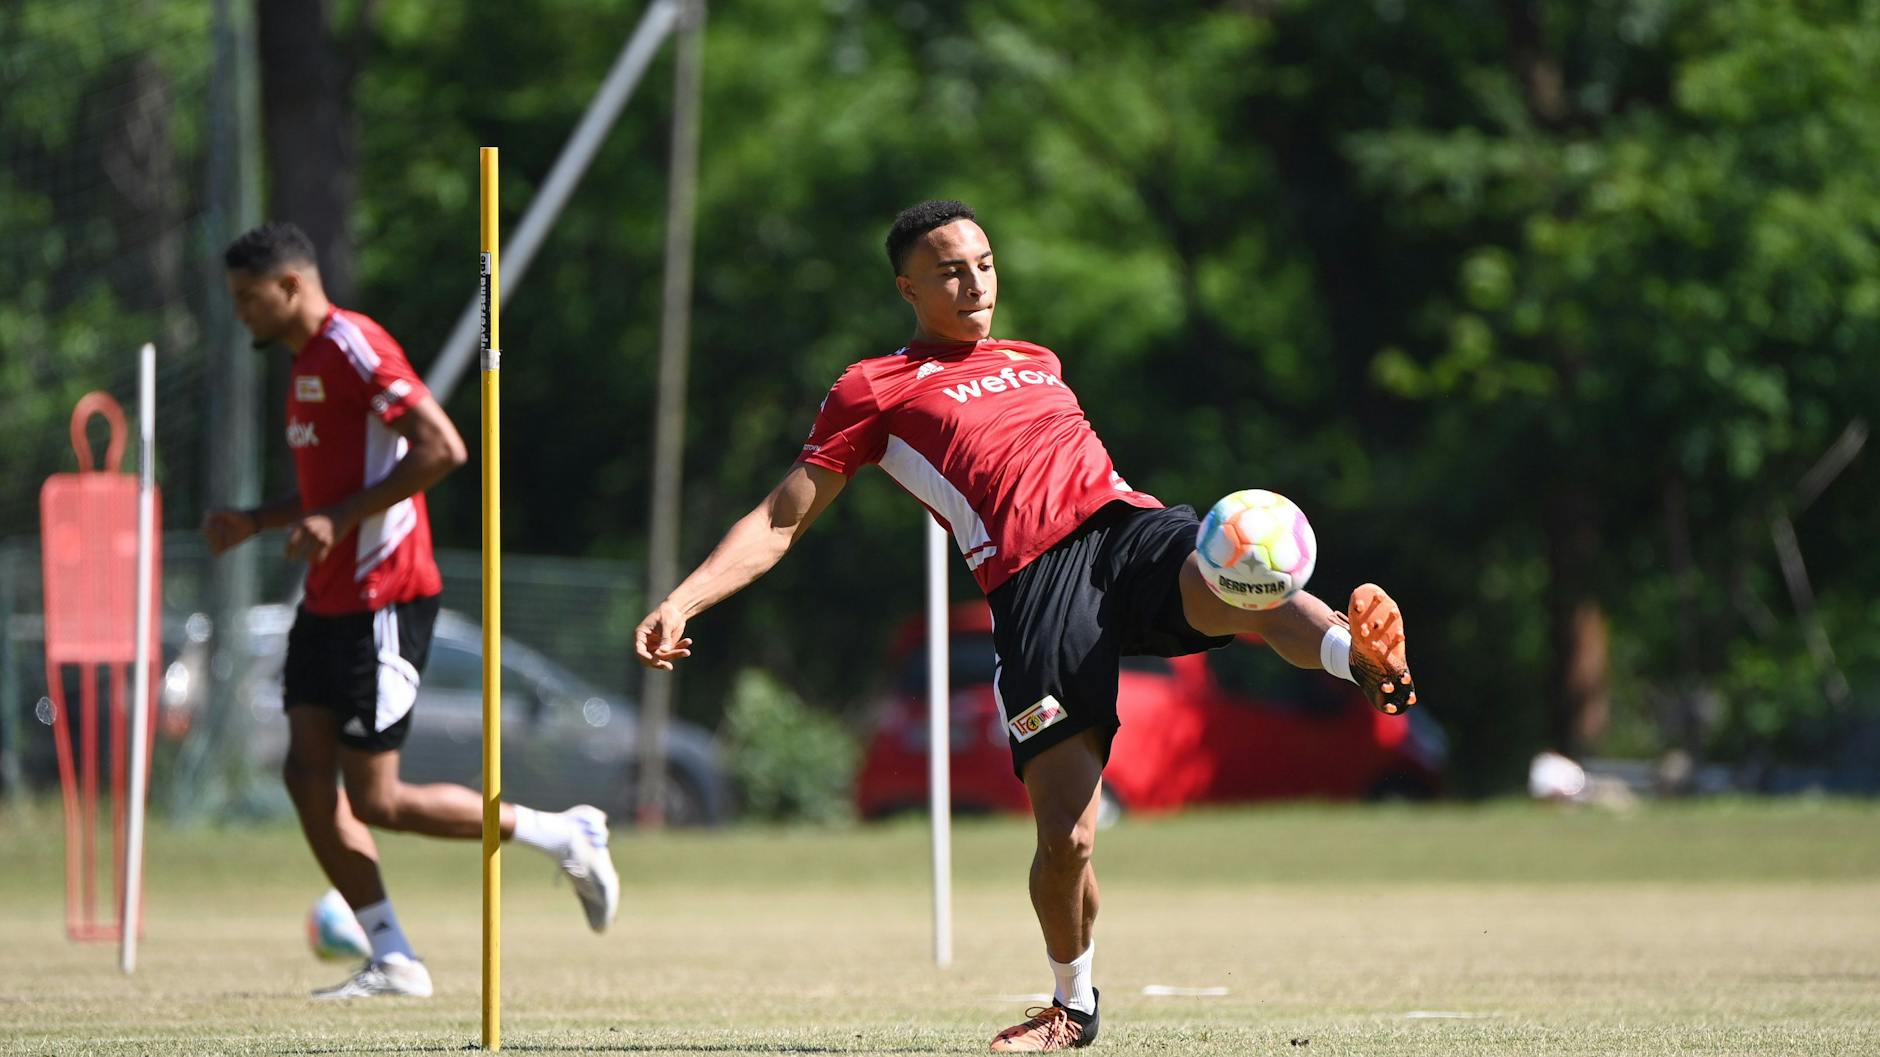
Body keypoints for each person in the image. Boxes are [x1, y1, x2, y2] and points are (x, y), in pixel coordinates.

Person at [632, 200, 1415, 1051]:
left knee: (1239, 570)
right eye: (950, 270)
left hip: (1125, 528)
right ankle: (1072, 1003)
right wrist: (685, 598)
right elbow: (784, 518)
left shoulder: (1037, 358)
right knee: (1067, 838)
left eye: (985, 261)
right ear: (908, 288)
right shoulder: (874, 387)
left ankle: (1356, 656)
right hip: (1037, 584)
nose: (975, 281)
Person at [206, 222, 620, 1000]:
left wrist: (339, 520)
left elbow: (443, 448)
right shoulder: (301, 367)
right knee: (304, 773)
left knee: (379, 800)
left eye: (247, 298)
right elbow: (331, 495)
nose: (240, 314)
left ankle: (565, 832)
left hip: (383, 599)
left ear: (290, 284)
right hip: (326, 602)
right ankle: (392, 956)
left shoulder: (356, 346)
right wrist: (258, 520)